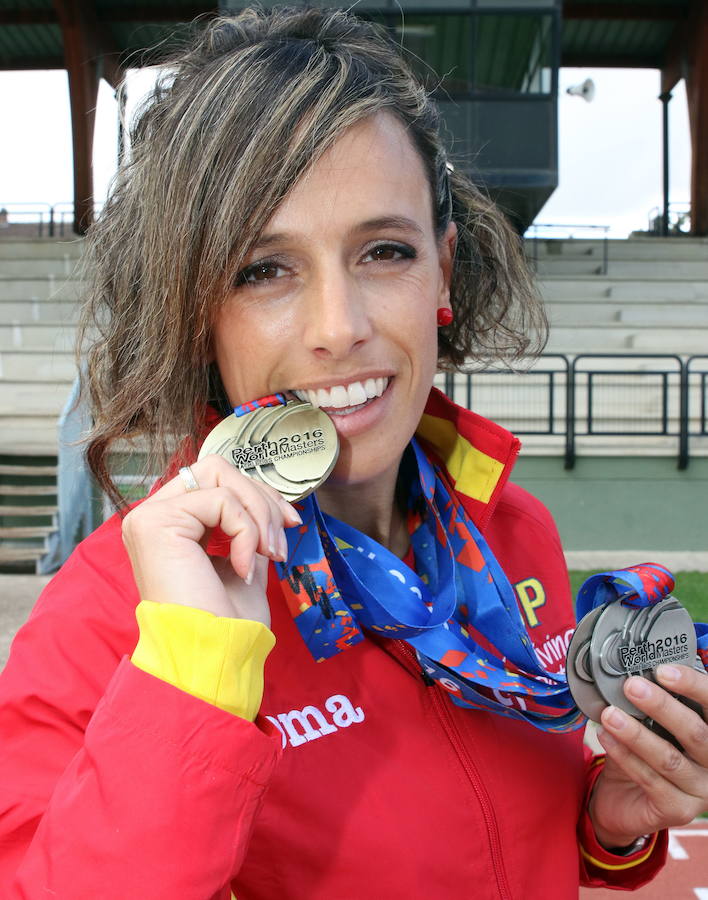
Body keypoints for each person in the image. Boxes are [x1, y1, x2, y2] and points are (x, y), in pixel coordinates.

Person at [1, 7, 707, 899]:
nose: (341, 328)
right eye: (264, 269)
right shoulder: (107, 618)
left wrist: (607, 826)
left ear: (442, 272)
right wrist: (194, 674)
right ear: (194, 312)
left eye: (384, 252)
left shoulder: (514, 533)